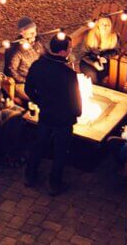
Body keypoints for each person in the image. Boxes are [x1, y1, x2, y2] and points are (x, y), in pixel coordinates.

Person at [24, 34, 81, 195]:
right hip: (63, 118)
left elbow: (29, 89)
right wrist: (77, 113)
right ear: (63, 52)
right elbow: (75, 97)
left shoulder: (38, 65)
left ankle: (30, 175)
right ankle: (54, 183)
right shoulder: (68, 73)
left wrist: (40, 102)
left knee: (39, 144)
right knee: (60, 151)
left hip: (46, 114)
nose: (71, 50)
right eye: (70, 48)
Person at [4, 17, 44, 101]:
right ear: (22, 33)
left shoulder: (37, 43)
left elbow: (45, 56)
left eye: (35, 31)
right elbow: (10, 70)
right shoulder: (15, 50)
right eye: (31, 33)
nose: (34, 35)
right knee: (39, 99)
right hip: (21, 84)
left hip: (38, 79)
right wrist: (26, 80)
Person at [79, 17, 120, 85]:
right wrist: (94, 63)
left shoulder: (114, 37)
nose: (104, 26)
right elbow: (83, 54)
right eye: (102, 24)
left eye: (107, 25)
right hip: (88, 62)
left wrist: (105, 57)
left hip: (104, 62)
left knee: (100, 74)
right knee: (92, 75)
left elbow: (116, 50)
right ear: (98, 25)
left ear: (111, 26)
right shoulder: (90, 35)